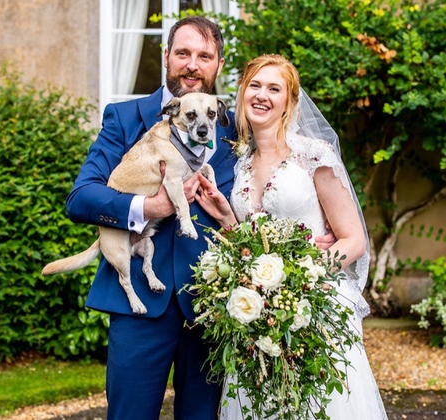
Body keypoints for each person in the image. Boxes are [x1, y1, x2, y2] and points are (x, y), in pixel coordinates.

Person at [195, 54, 388, 419]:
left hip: (313, 309)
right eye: (254, 85)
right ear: (241, 93)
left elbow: (353, 240)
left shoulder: (314, 156)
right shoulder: (240, 165)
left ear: (290, 101)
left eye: (274, 88)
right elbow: (255, 245)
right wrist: (226, 219)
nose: (262, 95)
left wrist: (305, 276)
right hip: (257, 314)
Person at [65, 16, 238, 420]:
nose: (192, 64)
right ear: (166, 57)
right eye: (183, 53)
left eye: (204, 56)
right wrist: (149, 208)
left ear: (217, 64)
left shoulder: (233, 128)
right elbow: (81, 197)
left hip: (212, 310)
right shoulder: (125, 117)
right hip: (140, 306)